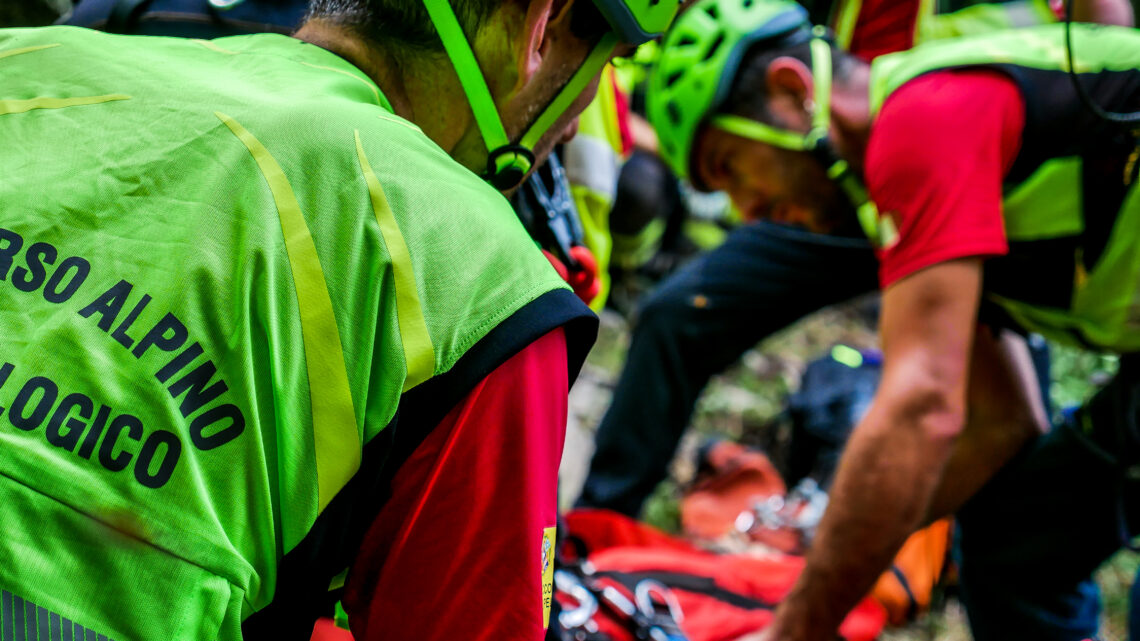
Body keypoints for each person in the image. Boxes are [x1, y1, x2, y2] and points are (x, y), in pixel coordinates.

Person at [0, 0, 679, 638]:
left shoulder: (26, 57)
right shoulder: (489, 284)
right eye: (605, 65)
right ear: (542, 22)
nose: (580, 114)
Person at [645, 0, 1139, 639]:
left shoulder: (918, 119)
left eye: (731, 168)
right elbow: (999, 422)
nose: (746, 211)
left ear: (792, 93)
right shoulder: (899, 184)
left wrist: (795, 628)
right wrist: (833, 546)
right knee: (1015, 539)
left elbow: (921, 409)